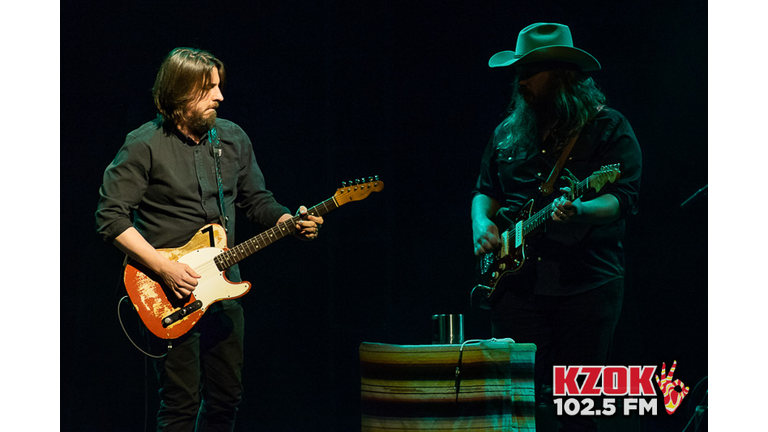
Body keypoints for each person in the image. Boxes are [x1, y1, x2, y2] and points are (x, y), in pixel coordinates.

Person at [95, 47, 323, 431]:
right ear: (180, 92)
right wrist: (164, 267)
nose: (220, 96)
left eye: (219, 86)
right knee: (180, 404)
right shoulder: (143, 143)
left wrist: (288, 219)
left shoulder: (232, 138)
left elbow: (256, 200)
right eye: (208, 88)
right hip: (167, 293)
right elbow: (109, 217)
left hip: (222, 288)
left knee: (226, 399)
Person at [471, 23, 641, 431]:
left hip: (585, 285)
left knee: (577, 403)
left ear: (563, 73)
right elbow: (486, 190)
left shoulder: (609, 128)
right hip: (514, 287)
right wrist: (481, 224)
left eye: (531, 71)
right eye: (519, 72)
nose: (521, 80)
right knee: (516, 402)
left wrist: (582, 211)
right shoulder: (508, 132)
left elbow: (621, 198)